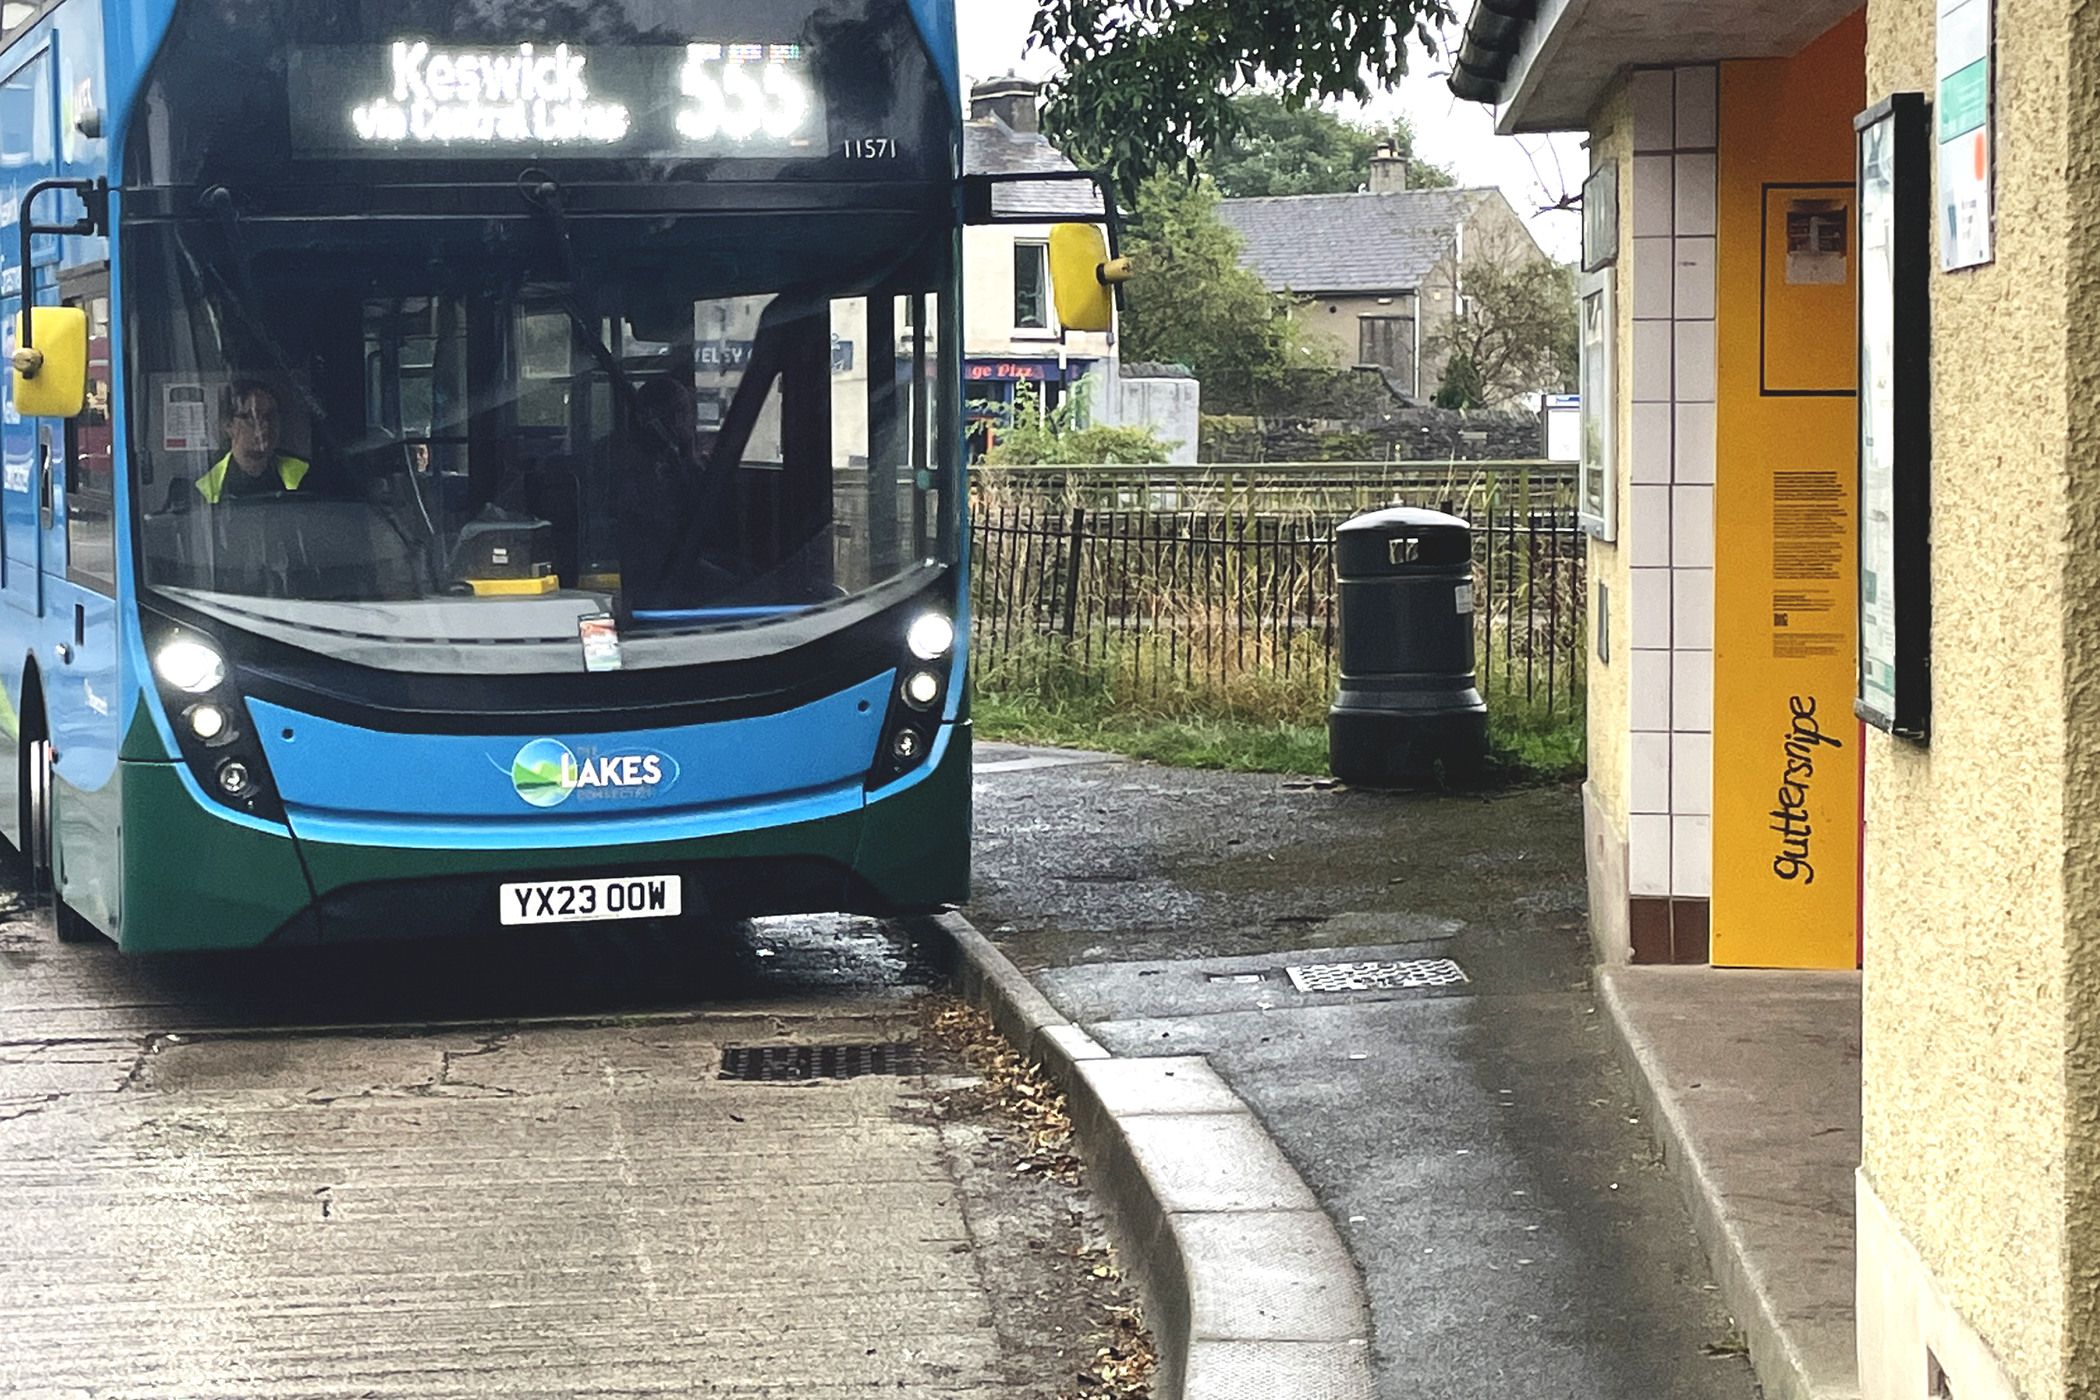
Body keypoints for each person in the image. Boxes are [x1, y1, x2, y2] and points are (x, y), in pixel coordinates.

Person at [195, 380, 311, 504]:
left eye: (270, 416)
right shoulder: (205, 486)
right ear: (229, 425)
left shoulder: (307, 473)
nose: (265, 424)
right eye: (252, 417)